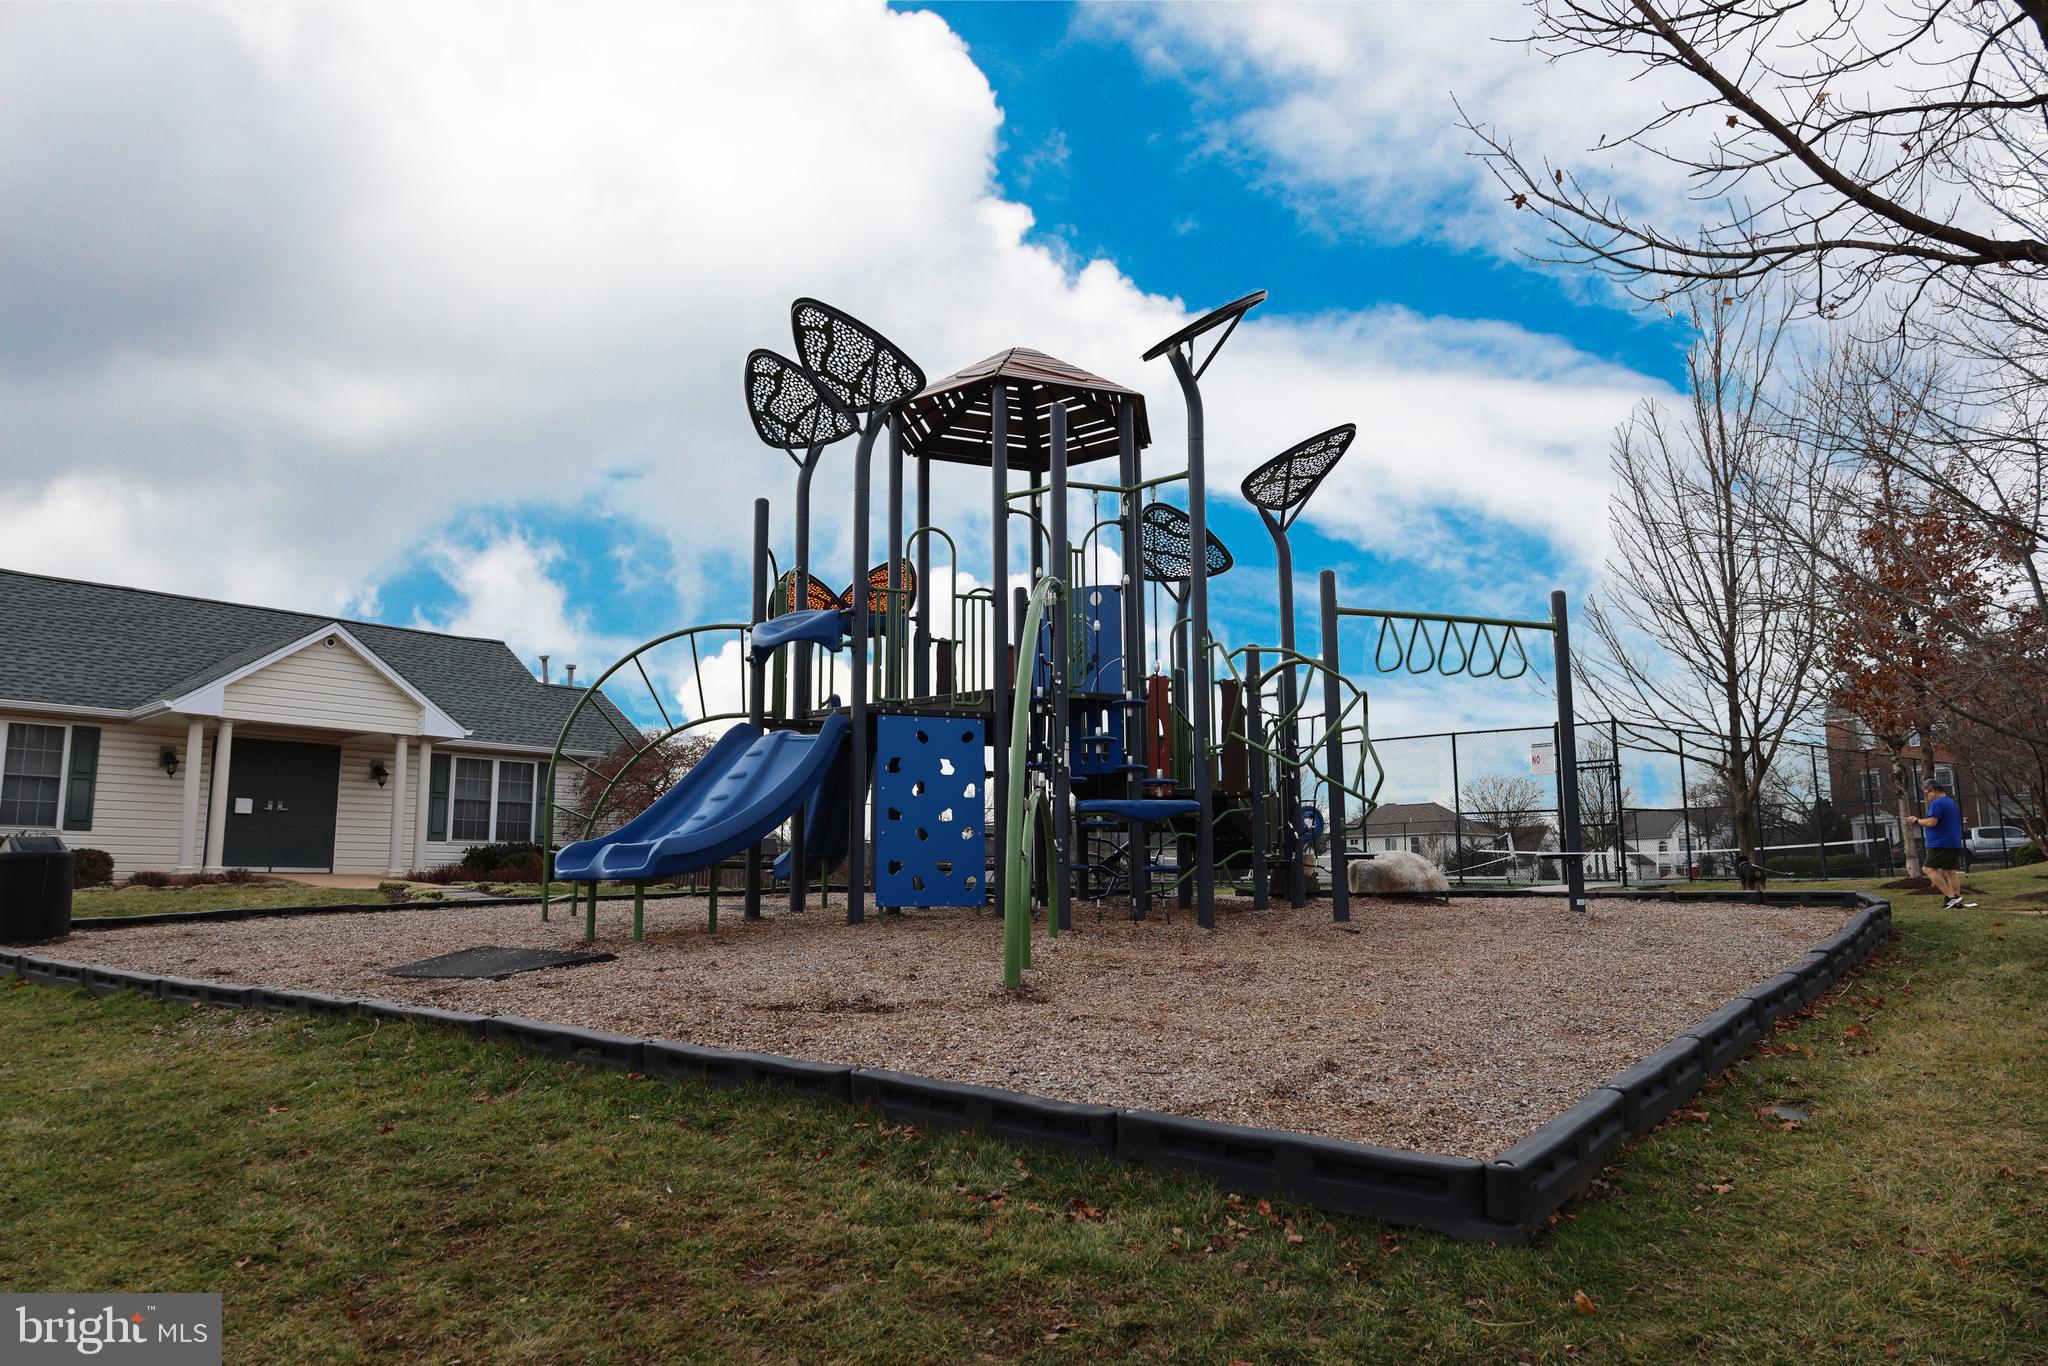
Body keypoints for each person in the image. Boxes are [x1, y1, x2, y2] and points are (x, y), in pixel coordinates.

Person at [1913, 779, 1975, 909]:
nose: (1927, 797)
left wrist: (1916, 821)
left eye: (1926, 794)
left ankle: (1951, 897)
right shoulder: (1951, 802)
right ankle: (1956, 901)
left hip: (1940, 842)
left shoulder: (1937, 803)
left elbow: (1932, 822)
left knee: (1928, 869)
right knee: (1950, 872)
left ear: (1933, 791)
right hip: (1953, 842)